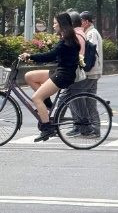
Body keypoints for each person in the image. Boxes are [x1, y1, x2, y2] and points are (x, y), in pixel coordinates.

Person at [18, 12, 82, 141]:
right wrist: (33, 59)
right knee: (29, 76)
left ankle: (47, 129)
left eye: (54, 23)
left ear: (61, 24)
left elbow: (50, 55)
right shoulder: (66, 38)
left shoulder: (67, 41)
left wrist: (30, 56)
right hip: (60, 71)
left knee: (36, 98)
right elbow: (56, 57)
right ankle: (47, 105)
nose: (53, 26)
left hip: (63, 75)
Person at [67, 11, 104, 137]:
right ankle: (90, 127)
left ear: (86, 22)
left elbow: (91, 53)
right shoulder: (89, 33)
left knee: (80, 99)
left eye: (81, 20)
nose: (79, 23)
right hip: (92, 72)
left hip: (89, 72)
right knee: (88, 101)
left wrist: (83, 66)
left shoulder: (91, 33)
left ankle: (84, 126)